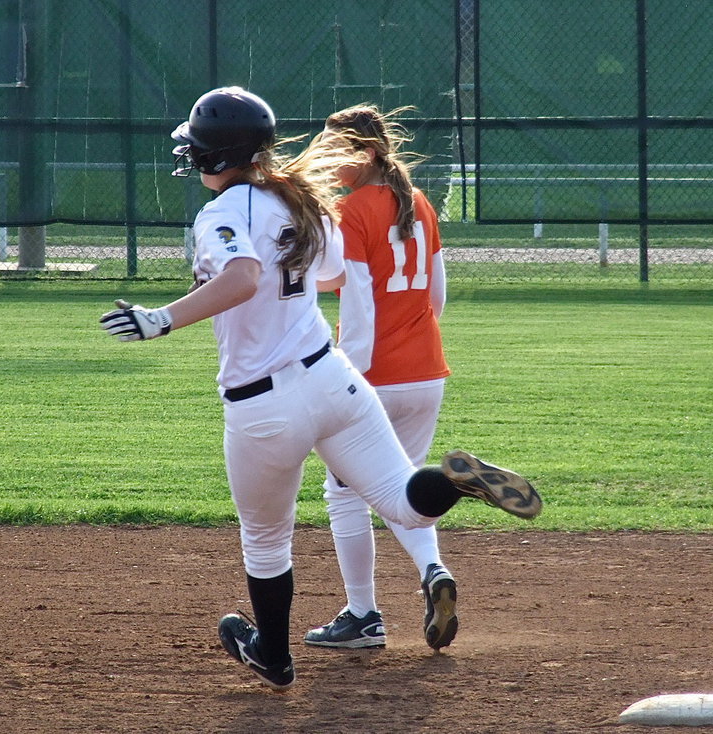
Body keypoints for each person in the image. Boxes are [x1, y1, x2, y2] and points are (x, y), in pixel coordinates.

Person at [99, 87, 542, 692]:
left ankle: (274, 657)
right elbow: (330, 273)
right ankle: (455, 480)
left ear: (212, 157)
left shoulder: (223, 212)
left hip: (264, 404)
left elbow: (243, 277)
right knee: (403, 499)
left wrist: (162, 318)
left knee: (265, 539)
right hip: (333, 379)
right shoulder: (298, 200)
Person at [303, 105, 456, 652]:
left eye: (336, 152)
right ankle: (434, 572)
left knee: (344, 494)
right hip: (426, 373)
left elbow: (360, 302)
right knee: (405, 487)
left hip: (375, 378)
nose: (327, 162)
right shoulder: (418, 202)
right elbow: (436, 296)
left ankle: (364, 615)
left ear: (366, 153)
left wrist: (350, 375)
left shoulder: (354, 211)